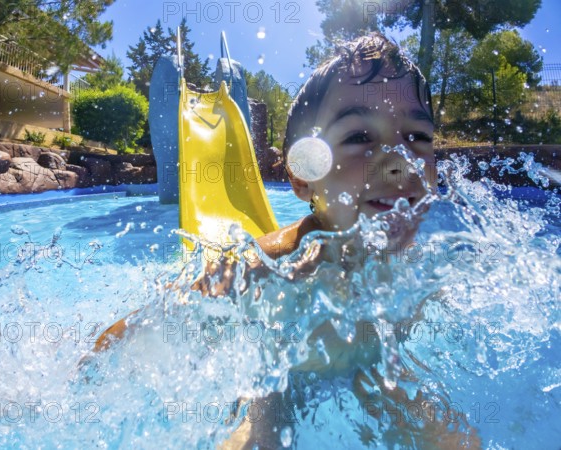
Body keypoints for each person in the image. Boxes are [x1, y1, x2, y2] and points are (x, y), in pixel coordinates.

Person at [90, 33, 480, 448]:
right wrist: (90, 368)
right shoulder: (277, 266)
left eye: (418, 137)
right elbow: (154, 318)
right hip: (276, 379)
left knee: (454, 437)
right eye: (359, 138)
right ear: (301, 174)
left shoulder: (424, 264)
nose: (400, 160)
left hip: (374, 368)